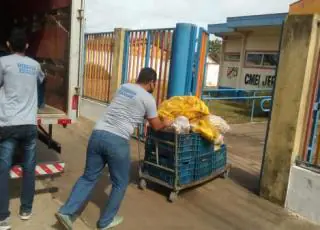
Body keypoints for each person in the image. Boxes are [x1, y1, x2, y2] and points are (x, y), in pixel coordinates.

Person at [56, 67, 172, 230]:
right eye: (155, 83)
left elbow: (124, 108)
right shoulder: (148, 99)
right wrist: (166, 122)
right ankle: (105, 221)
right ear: (152, 82)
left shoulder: (123, 87)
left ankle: (66, 212)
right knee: (120, 182)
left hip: (97, 134)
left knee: (88, 177)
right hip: (117, 140)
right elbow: (156, 125)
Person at [0, 29, 45, 230]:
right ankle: (26, 210)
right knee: (29, 169)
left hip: (8, 124)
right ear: (27, 46)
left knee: (3, 169)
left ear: (8, 45)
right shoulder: (35, 65)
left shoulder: (3, 63)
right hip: (29, 125)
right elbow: (42, 82)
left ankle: (2, 217)